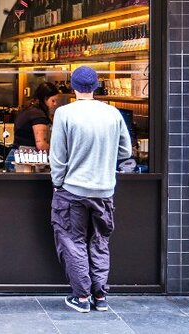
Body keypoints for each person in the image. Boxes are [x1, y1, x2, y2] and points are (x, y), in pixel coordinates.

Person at [50, 66, 132, 314]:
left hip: (72, 190)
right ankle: (100, 296)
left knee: (72, 241)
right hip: (104, 191)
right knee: (99, 242)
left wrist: (58, 182)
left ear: (73, 87)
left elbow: (58, 157)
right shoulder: (113, 113)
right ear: (96, 86)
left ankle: (82, 296)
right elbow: (125, 152)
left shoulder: (64, 113)